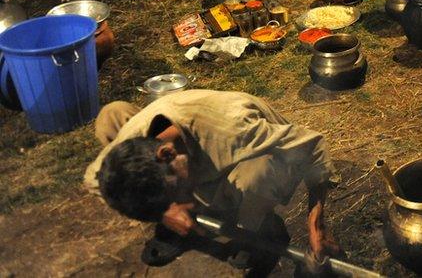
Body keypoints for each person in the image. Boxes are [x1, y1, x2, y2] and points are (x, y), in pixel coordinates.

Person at [84, 90, 341, 273]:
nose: (176, 202)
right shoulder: (133, 140)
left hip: (261, 156)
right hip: (194, 158)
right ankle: (190, 213)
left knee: (256, 176)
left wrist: (316, 227)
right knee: (111, 115)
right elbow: (92, 180)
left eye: (174, 196)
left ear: (167, 153)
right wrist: (165, 212)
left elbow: (314, 146)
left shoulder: (236, 129)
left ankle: (258, 227)